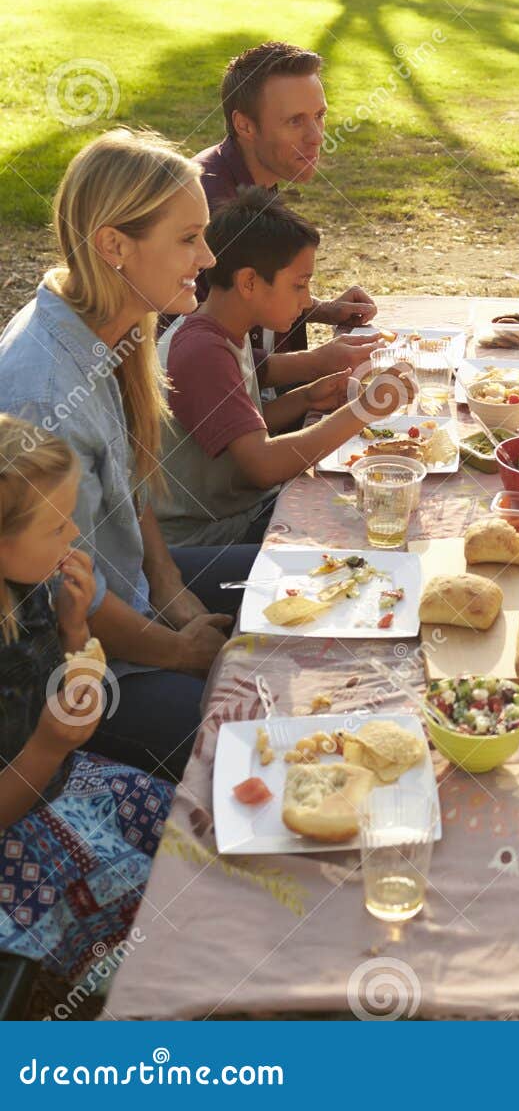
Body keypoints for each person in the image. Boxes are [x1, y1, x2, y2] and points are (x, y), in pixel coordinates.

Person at [0, 129, 253, 782]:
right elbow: (65, 584)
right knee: (253, 730)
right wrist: (179, 651)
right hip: (82, 665)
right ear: (114, 245)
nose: (208, 254)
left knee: (296, 577)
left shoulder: (116, 314)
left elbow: (132, 482)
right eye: (188, 238)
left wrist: (171, 591)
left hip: (138, 598)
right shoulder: (42, 393)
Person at [0, 416, 172, 982]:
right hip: (15, 843)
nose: (73, 534)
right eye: (55, 527)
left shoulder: (29, 586)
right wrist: (49, 747)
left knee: (192, 824)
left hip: (66, 782)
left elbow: (72, 706)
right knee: (164, 922)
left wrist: (74, 634)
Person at [156, 191, 416, 551]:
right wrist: (364, 410)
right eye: (299, 284)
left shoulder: (224, 326)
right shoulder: (202, 351)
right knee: (361, 545)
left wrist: (307, 396)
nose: (308, 300)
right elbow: (262, 463)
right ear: (248, 282)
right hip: (202, 542)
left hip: (238, 512)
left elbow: (240, 426)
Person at [188, 41, 379, 387]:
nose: (317, 137)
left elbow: (249, 297)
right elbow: (200, 354)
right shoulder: (208, 206)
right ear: (245, 126)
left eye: (320, 116)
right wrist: (317, 362)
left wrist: (321, 309)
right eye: (295, 122)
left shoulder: (259, 175)